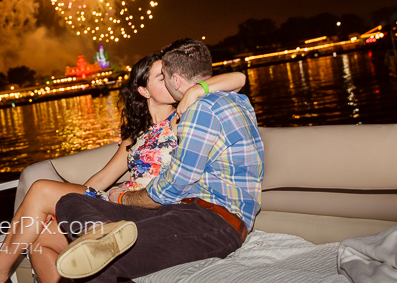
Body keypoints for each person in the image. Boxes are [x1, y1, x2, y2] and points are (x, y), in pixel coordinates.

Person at [0, 51, 246, 283]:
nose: (171, 79)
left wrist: (196, 90)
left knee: (40, 189)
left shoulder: (183, 117)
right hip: (115, 205)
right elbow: (101, 178)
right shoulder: (134, 138)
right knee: (41, 238)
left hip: (152, 209)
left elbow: (238, 79)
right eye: (161, 77)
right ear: (144, 91)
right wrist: (61, 207)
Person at [54, 38, 264, 282]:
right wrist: (197, 89)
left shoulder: (197, 112)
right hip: (181, 211)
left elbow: (169, 190)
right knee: (69, 201)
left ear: (176, 80)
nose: (164, 81)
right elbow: (238, 79)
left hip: (214, 221)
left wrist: (122, 196)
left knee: (103, 262)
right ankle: (99, 234)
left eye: (164, 75)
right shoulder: (237, 99)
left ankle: (100, 243)